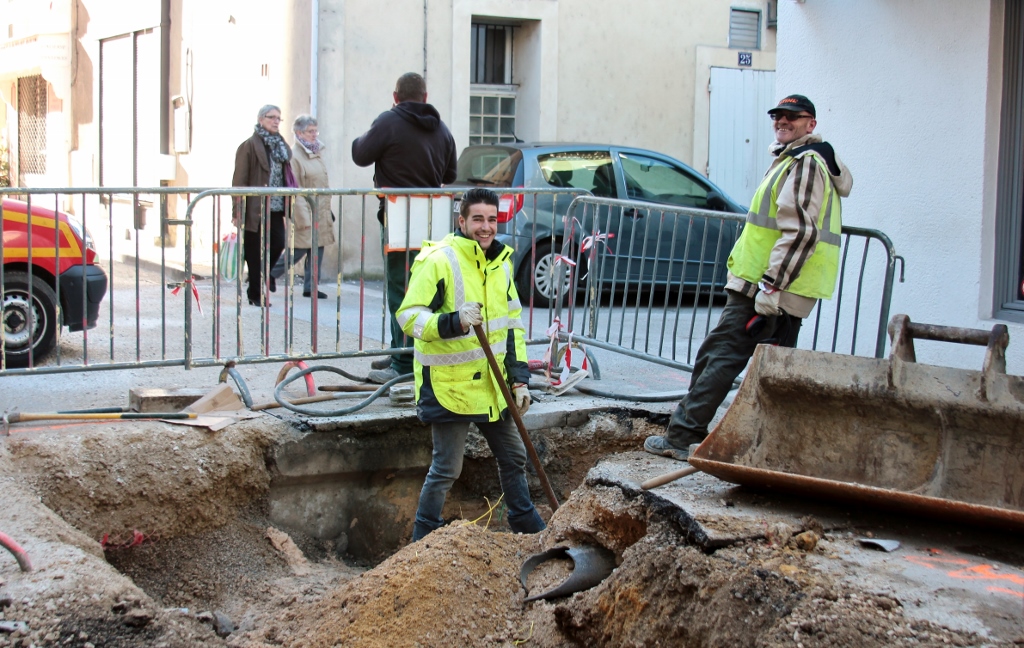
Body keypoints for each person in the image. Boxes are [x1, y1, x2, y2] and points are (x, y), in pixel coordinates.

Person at [644, 94, 854, 461]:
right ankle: (769, 449)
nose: (782, 121)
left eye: (792, 117)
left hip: (767, 288)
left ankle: (684, 435)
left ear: (811, 124)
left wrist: (772, 285)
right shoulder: (794, 160)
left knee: (723, 357)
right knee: (765, 368)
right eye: (777, 116)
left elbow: (800, 232)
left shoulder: (805, 164)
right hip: (771, 286)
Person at [399, 188, 545, 541]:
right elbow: (408, 316)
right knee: (447, 468)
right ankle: (423, 537)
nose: (486, 227)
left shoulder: (501, 264)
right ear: (461, 220)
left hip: (492, 385)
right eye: (477, 219)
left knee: (514, 456)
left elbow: (512, 327)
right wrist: (455, 321)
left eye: (492, 219)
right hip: (450, 385)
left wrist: (520, 380)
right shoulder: (439, 260)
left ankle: (525, 524)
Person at [351, 72, 458, 383]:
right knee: (427, 290)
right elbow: (450, 175)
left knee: (401, 289)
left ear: (395, 96)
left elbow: (360, 154)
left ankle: (402, 364)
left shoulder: (388, 121)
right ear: (425, 97)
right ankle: (404, 351)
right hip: (433, 222)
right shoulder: (442, 128)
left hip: (399, 218)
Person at [271, 115, 336, 298]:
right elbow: (296, 188)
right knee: (298, 249)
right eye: (310, 131)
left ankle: (311, 287)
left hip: (320, 209)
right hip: (306, 210)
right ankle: (270, 274)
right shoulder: (295, 157)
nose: (314, 134)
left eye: (315, 131)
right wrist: (303, 217)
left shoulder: (315, 152)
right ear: (299, 133)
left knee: (318, 247)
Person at [232, 104, 292, 307]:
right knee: (253, 250)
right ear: (260, 119)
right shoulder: (249, 146)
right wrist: (237, 211)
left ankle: (258, 278)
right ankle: (255, 294)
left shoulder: (280, 146)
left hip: (275, 207)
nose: (276, 121)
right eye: (271, 117)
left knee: (279, 242)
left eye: (278, 118)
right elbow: (239, 181)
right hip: (255, 208)